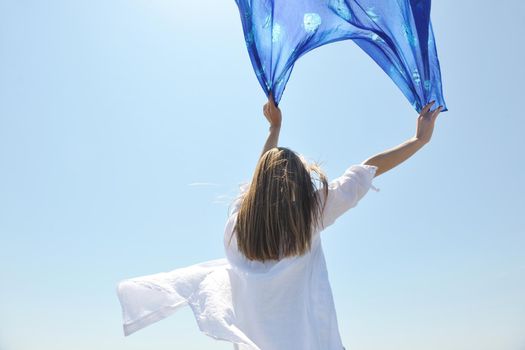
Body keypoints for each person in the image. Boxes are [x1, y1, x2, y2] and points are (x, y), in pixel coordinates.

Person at [116, 94, 443, 350]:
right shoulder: (308, 217)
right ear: (301, 185)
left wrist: (273, 130)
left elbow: (257, 188)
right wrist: (419, 140)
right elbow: (365, 169)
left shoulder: (235, 230)